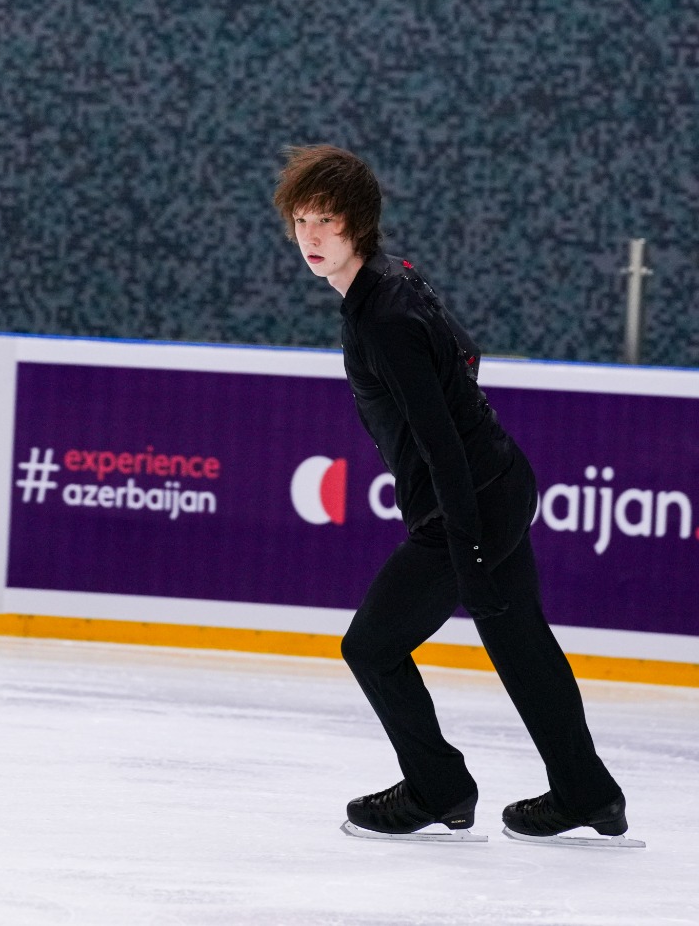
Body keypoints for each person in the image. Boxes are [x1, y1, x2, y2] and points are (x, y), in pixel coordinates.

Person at [272, 144, 639, 846]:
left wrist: (464, 538)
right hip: (497, 482)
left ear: (360, 224)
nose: (312, 237)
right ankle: (587, 792)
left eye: (327, 220)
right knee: (520, 639)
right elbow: (467, 353)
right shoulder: (391, 282)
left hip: (465, 503)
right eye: (301, 221)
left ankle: (439, 786)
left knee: (371, 646)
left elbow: (438, 436)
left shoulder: (379, 314)